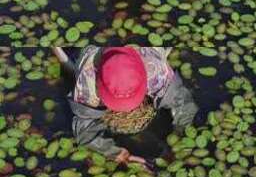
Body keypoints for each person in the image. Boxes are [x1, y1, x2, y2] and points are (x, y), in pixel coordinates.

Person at [68, 47, 198, 166]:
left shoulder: (155, 71)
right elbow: (84, 131)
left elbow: (184, 104)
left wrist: (178, 137)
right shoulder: (87, 82)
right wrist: (115, 152)